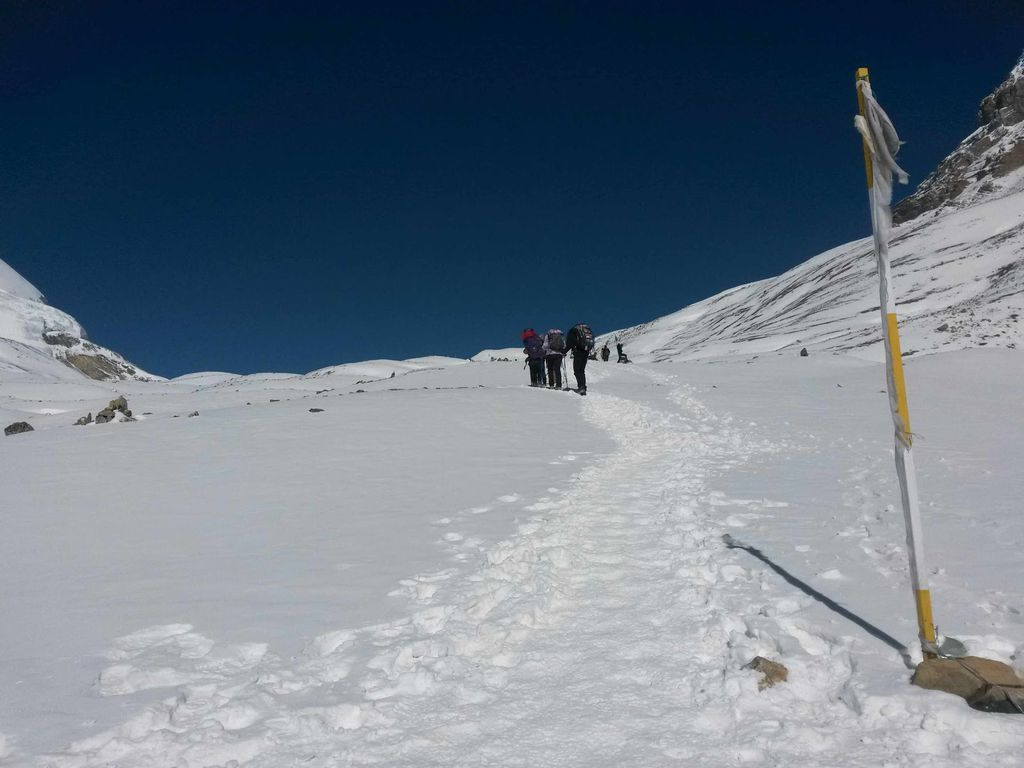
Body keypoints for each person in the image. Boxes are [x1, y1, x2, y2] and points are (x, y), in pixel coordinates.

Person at [564, 323, 595, 395]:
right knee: (581, 370)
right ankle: (583, 387)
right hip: (586, 351)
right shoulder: (585, 331)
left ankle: (581, 387)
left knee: (577, 370)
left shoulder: (573, 331)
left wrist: (564, 351)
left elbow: (570, 343)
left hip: (578, 351)